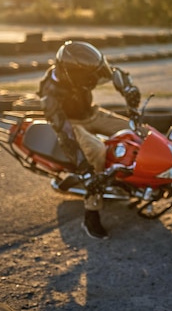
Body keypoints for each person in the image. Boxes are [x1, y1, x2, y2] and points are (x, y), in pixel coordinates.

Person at [38, 40, 142, 240]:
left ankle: (135, 179)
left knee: (135, 131)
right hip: (71, 123)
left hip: (91, 114)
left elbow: (114, 72)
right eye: (88, 78)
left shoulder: (81, 68)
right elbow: (64, 134)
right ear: (72, 75)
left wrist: (127, 88)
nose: (93, 79)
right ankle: (91, 212)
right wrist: (85, 169)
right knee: (97, 150)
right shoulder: (50, 93)